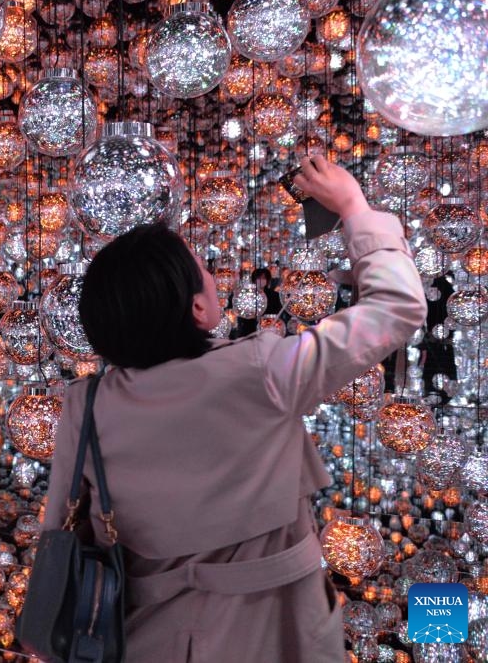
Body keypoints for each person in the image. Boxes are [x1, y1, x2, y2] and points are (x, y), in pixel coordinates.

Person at [40, 155, 426, 661]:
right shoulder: (263, 369)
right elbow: (397, 306)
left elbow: (60, 534)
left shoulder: (85, 405)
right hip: (278, 629)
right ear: (197, 307)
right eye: (204, 269)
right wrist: (354, 206)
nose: (214, 274)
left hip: (143, 636)